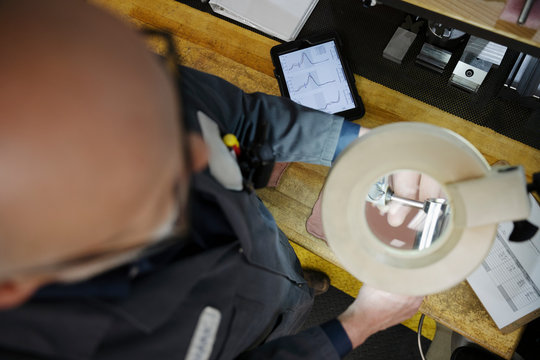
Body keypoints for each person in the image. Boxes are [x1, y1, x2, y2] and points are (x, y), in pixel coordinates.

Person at [0, 0, 423, 359]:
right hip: (248, 339)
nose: (207, 152)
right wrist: (361, 323)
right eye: (149, 184)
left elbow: (242, 119)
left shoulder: (80, 74)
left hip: (261, 253)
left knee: (288, 282)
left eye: (157, 118)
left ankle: (297, 292)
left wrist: (365, 146)